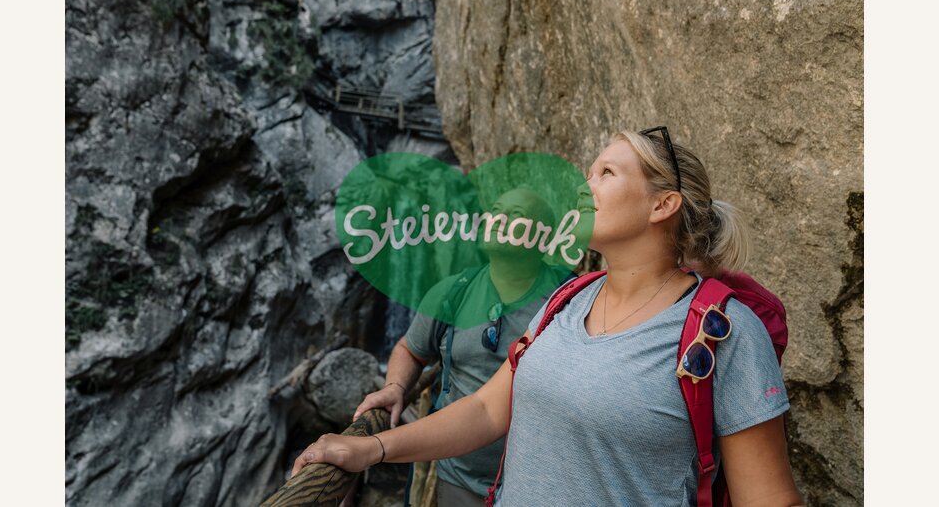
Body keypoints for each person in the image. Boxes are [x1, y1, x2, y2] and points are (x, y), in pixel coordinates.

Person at [292, 129, 803, 506]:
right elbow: (488, 412)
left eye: (607, 172)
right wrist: (372, 449)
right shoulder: (567, 300)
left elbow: (771, 499)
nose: (586, 183)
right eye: (589, 169)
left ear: (662, 204)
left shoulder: (725, 333)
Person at [351, 187, 575, 506]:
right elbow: (411, 350)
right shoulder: (452, 292)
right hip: (458, 475)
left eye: (516, 215)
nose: (500, 219)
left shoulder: (571, 300)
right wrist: (396, 386)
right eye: (496, 210)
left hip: (538, 481)